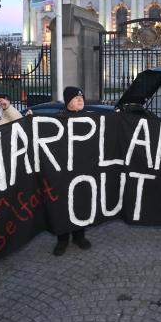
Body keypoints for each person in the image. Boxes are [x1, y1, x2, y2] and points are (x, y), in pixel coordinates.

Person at [53, 86, 93, 256]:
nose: (80, 100)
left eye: (82, 98)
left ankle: (79, 236)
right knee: (62, 205)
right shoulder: (58, 119)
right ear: (68, 101)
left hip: (82, 169)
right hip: (63, 171)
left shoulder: (90, 118)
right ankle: (62, 240)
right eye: (77, 98)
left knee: (81, 202)